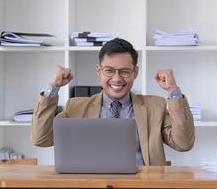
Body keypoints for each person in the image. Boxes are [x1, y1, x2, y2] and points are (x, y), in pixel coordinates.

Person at [31, 38, 195, 166]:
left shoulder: (155, 107)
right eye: (109, 71)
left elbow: (184, 143)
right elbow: (41, 139)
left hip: (143, 184)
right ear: (99, 71)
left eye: (124, 71)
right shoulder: (76, 107)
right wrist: (53, 87)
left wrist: (173, 90)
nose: (116, 79)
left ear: (135, 72)